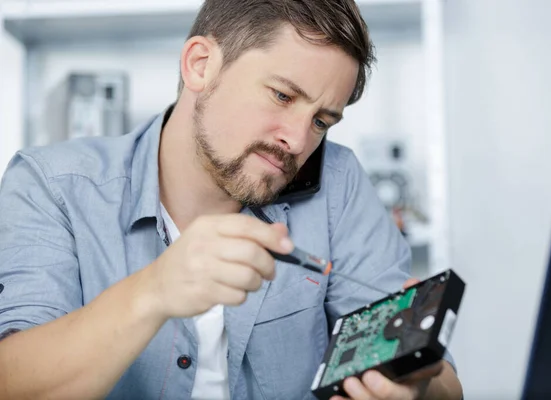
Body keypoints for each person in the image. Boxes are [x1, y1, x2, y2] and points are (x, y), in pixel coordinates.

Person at [0, 0, 463, 399]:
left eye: (322, 121)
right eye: (282, 96)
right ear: (200, 65)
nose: (298, 141)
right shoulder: (51, 185)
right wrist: (154, 290)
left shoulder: (339, 184)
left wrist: (417, 386)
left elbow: (446, 386)